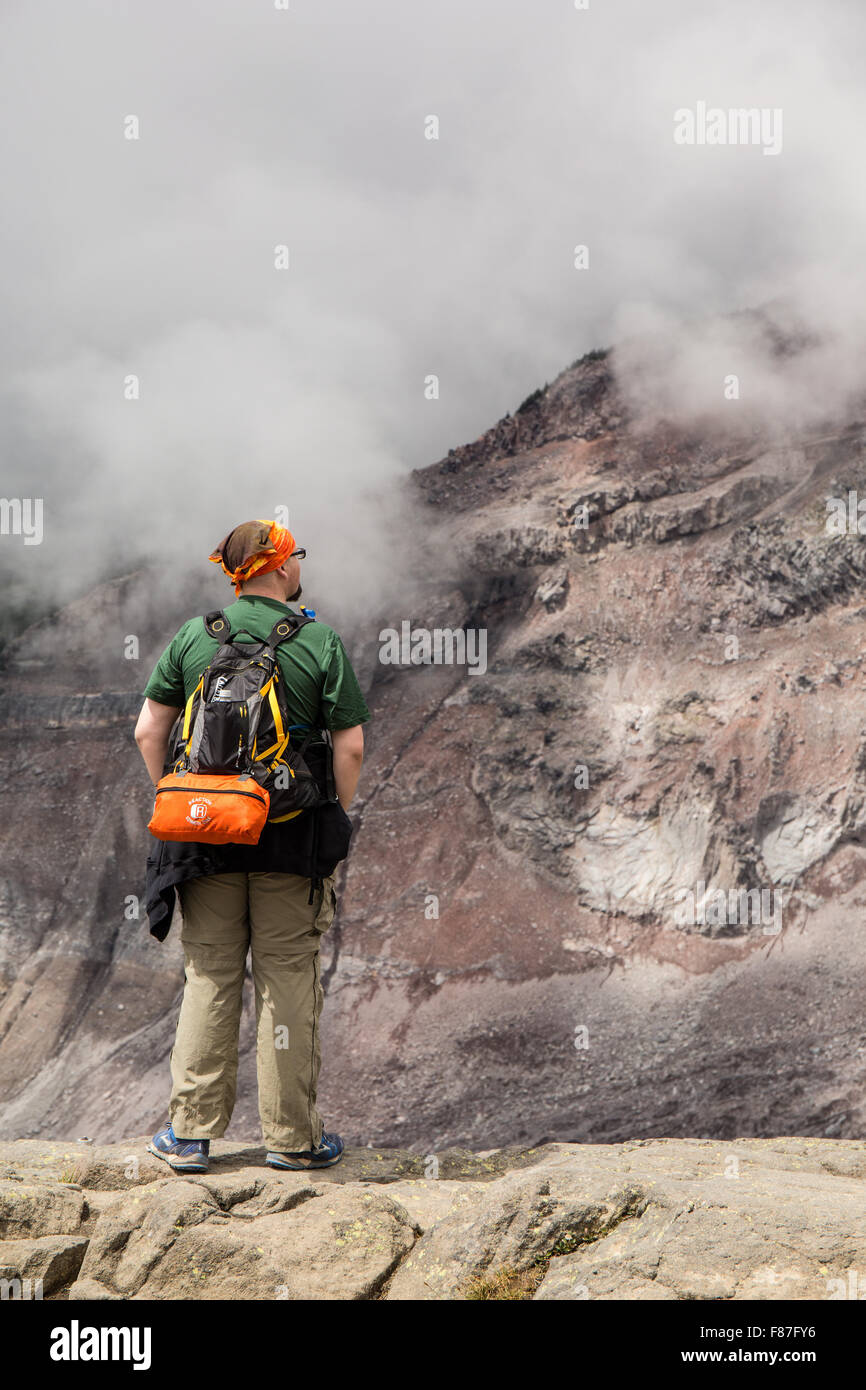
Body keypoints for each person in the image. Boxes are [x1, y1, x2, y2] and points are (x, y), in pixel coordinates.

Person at [134, 519, 369, 1174]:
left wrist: (186, 806)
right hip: (289, 841)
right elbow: (348, 745)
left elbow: (147, 731)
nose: (300, 566)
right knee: (286, 977)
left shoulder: (194, 634)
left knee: (209, 973)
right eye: (297, 556)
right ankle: (292, 1140)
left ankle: (188, 1137)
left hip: (203, 840)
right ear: (281, 566)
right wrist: (334, 813)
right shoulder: (317, 639)